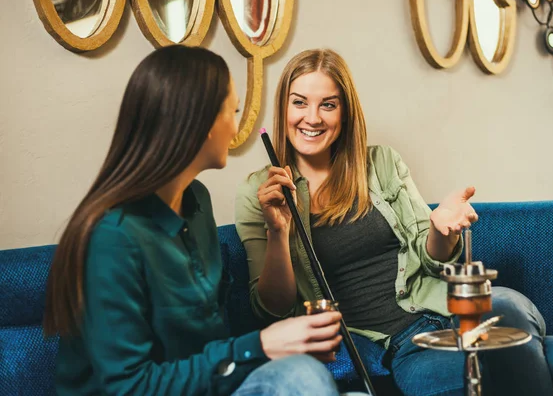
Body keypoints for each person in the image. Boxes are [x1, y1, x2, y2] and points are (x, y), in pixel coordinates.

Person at [234, 48, 553, 396]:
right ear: (283, 107)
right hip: (402, 349)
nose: (312, 117)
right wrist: (278, 232)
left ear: (344, 113)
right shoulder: (259, 192)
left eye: (327, 104)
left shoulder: (382, 164)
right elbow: (272, 308)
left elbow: (431, 258)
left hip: (448, 309)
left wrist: (439, 230)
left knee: (504, 305)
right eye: (299, 102)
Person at [42, 45, 346, 396]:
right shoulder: (112, 237)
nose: (236, 127)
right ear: (199, 123)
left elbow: (210, 350)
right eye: (231, 112)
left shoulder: (196, 201)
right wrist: (258, 346)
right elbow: (129, 386)